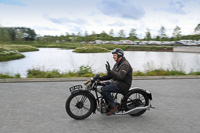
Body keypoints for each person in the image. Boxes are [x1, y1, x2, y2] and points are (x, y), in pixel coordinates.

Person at [99, 48, 133, 116]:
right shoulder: (117, 63)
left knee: (104, 89)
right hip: (116, 82)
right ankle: (107, 103)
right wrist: (99, 78)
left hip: (123, 85)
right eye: (113, 55)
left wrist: (110, 71)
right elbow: (111, 75)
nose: (113, 56)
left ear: (119, 55)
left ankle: (114, 107)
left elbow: (120, 76)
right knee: (101, 85)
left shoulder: (125, 64)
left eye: (114, 55)